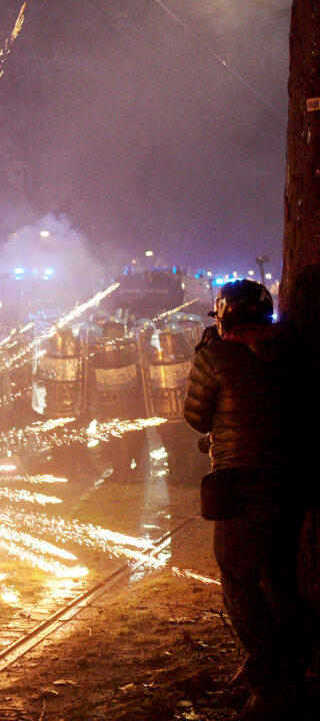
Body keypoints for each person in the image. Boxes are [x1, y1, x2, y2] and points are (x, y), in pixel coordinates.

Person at [183, 279, 311, 720]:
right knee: (280, 578)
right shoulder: (295, 352)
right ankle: (294, 667)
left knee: (239, 583)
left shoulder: (215, 357)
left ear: (224, 316)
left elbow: (196, 418)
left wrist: (203, 358)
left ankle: (272, 683)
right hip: (293, 482)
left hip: (241, 486)